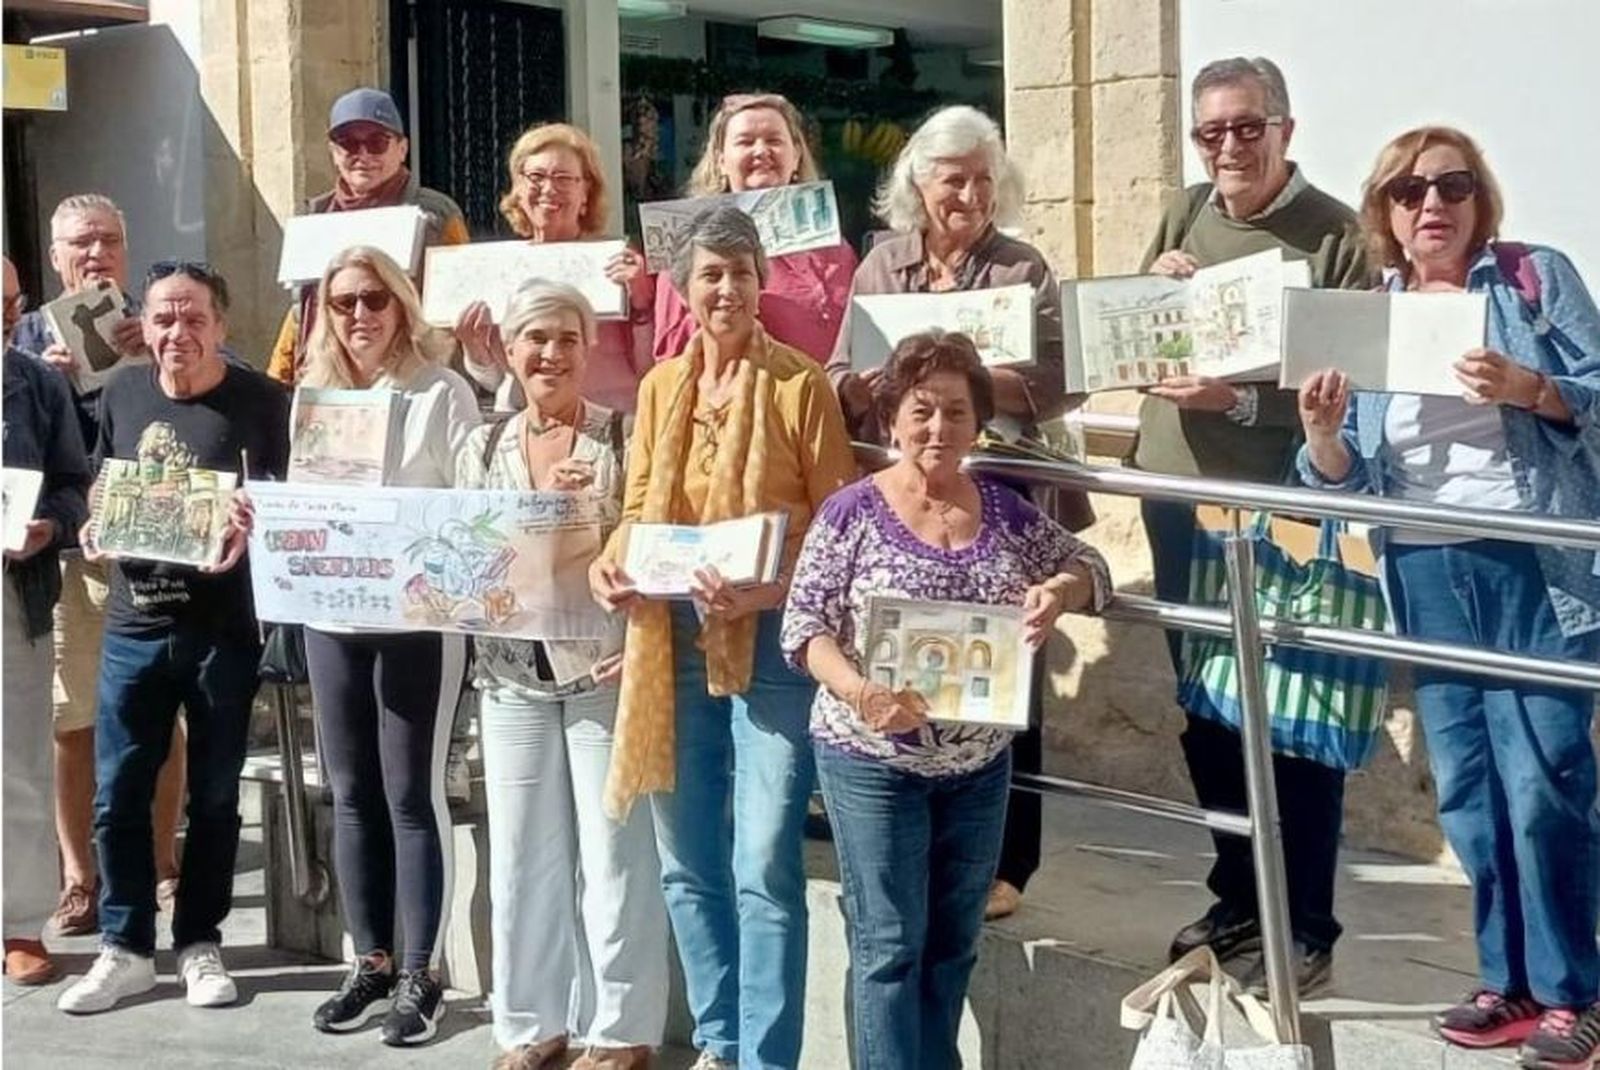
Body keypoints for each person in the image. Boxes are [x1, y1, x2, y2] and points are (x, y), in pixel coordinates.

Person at [1297, 125, 1600, 1070]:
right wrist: (1323, 435)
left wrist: (1529, 386)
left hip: (1530, 559)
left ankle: (1573, 992)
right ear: (1385, 211)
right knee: (1469, 788)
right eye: (1409, 191)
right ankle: (1505, 980)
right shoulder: (1367, 311)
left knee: (1545, 779)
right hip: (1422, 566)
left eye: (1452, 186)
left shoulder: (1529, 279)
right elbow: (1339, 484)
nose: (1433, 205)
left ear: (1480, 198)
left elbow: (1595, 391)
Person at [782, 330, 1109, 1070]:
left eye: (957, 413)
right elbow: (804, 629)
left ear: (977, 423)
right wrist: (862, 691)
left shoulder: (1005, 511)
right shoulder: (851, 513)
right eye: (922, 411)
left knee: (953, 944)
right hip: (871, 759)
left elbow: (1087, 561)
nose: (938, 429)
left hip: (977, 767)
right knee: (890, 948)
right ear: (892, 416)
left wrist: (1061, 590)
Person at [589, 206, 855, 1070]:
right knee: (686, 861)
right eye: (710, 274)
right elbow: (636, 512)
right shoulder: (661, 388)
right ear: (684, 287)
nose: (726, 290)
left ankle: (767, 1058)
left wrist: (768, 590)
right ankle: (718, 1042)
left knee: (765, 864)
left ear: (762, 279)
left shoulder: (799, 385)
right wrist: (612, 563)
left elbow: (837, 524)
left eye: (741, 272)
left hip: (774, 642)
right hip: (668, 637)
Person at [1136, 56, 1371, 991]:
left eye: (1246, 127)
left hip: (1280, 509)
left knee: (1294, 719)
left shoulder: (1338, 236)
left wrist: (1237, 403)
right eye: (1211, 132)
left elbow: (1350, 393)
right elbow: (1129, 336)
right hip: (1173, 494)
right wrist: (1150, 292)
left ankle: (1305, 923)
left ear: (1285, 129)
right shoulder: (1183, 211)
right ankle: (1238, 894)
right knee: (1204, 712)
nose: (1228, 147)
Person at [828, 103, 1088, 920]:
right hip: (905, 496)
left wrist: (965, 381)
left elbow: (1057, 380)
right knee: (911, 656)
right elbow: (841, 368)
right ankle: (919, 836)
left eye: (982, 181)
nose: (968, 196)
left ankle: (1010, 862)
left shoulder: (1022, 269)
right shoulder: (881, 268)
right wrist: (860, 389)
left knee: (1011, 666)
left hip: (1001, 494)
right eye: (953, 180)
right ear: (919, 185)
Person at [55, 262, 288, 1015]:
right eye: (163, 319)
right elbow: (101, 480)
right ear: (144, 326)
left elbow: (292, 505)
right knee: (118, 791)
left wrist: (260, 522)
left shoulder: (262, 402)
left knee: (217, 797)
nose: (176, 333)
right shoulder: (122, 390)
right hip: (135, 622)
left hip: (223, 629)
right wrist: (95, 522)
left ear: (221, 324)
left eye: (193, 318)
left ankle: (199, 942)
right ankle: (124, 947)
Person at [457, 281, 668, 1070]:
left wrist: (633, 591)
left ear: (588, 349)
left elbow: (652, 539)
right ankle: (530, 1024)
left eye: (566, 339)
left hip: (602, 668)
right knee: (519, 854)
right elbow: (457, 553)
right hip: (509, 675)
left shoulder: (622, 437)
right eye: (534, 339)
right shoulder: (482, 446)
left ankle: (619, 1031)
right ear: (509, 352)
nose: (550, 354)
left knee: (614, 853)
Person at [286, 247, 480, 1046]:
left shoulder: (442, 391)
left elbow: (472, 497)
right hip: (333, 615)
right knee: (347, 788)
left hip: (417, 620)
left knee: (411, 793)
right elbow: (301, 496)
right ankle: (369, 961)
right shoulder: (313, 393)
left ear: (402, 306)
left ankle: (421, 972)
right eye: (342, 304)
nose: (359, 316)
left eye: (373, 300)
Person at [12, 194, 188, 938]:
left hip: (149, 537)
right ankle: (79, 878)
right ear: (55, 257)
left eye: (108, 240)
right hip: (71, 548)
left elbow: (217, 384)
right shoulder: (22, 336)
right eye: (80, 243)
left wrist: (152, 358)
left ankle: (164, 867)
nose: (96, 255)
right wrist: (44, 377)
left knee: (160, 709)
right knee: (70, 714)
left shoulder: (161, 318)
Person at [3, 256, 92, 986]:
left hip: (15, 589)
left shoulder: (36, 384)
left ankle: (18, 925)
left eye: (11, 303)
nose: (5, 314)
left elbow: (74, 483)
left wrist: (49, 529)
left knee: (19, 765)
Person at [265, 87, 469, 386]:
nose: (362, 155)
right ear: (334, 153)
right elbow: (301, 305)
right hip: (327, 379)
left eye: (377, 142)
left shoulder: (437, 216)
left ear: (402, 148)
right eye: (348, 144)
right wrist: (279, 375)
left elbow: (455, 306)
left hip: (409, 379)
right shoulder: (316, 217)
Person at [456, 122, 654, 415]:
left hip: (607, 425)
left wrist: (640, 301)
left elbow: (649, 365)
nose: (548, 188)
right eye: (535, 177)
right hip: (524, 427)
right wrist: (473, 347)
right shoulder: (499, 268)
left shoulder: (620, 263)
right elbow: (495, 379)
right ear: (518, 190)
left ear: (586, 192)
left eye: (563, 178)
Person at [650, 93, 858, 366]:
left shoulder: (835, 246)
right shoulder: (690, 241)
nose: (761, 151)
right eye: (745, 142)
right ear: (721, 160)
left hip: (827, 403)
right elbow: (669, 355)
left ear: (796, 156)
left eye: (774, 140)